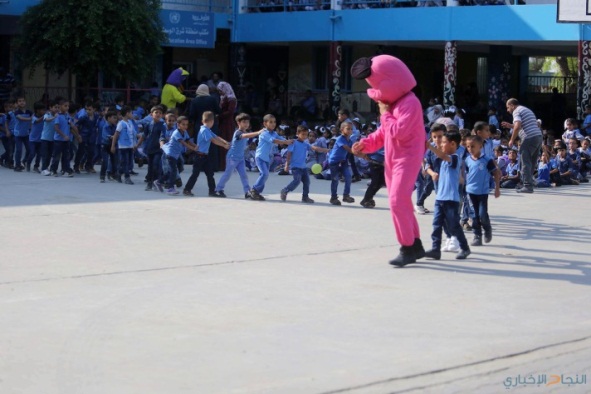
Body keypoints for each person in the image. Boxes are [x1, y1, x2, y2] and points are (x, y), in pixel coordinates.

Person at [351, 55, 426, 267]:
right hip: (392, 160)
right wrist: (364, 145)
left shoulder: (410, 103)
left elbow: (399, 132)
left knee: (396, 201)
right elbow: (383, 134)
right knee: (403, 203)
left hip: (407, 159)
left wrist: (384, 114)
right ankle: (416, 244)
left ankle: (407, 247)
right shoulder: (394, 105)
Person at [423, 131, 471, 260]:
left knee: (454, 225)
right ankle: (435, 249)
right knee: (436, 224)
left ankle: (465, 248)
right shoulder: (443, 160)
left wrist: (431, 147)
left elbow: (443, 156)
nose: (441, 144)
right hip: (440, 198)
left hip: (451, 199)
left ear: (453, 144)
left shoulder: (455, 158)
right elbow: (433, 160)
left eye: (444, 142)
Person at [214, 113, 262, 199]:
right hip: (232, 157)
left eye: (247, 122)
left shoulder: (245, 132)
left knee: (244, 175)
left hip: (240, 158)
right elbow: (244, 136)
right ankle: (218, 189)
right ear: (238, 123)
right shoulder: (238, 133)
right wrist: (258, 132)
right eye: (244, 122)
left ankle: (247, 191)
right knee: (228, 174)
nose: (246, 124)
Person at [464, 135, 500, 246]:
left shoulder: (487, 160)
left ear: (480, 146)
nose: (470, 149)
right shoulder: (467, 160)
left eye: (473, 146)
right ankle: (477, 236)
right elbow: (465, 174)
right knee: (474, 215)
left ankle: (487, 228)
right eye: (468, 146)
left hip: (483, 192)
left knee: (482, 214)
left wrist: (497, 188)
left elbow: (496, 173)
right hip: (470, 192)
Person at [183, 111, 230, 197]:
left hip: (205, 156)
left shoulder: (207, 129)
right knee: (195, 174)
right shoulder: (204, 130)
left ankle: (212, 191)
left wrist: (225, 141)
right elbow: (213, 140)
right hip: (199, 156)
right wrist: (224, 145)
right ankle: (187, 189)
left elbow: (216, 136)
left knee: (210, 174)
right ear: (211, 121)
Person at [502, 98, 543, 193]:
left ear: (512, 105)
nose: (508, 110)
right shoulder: (526, 110)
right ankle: (530, 182)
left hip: (529, 138)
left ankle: (527, 186)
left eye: (508, 107)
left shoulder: (516, 111)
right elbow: (524, 125)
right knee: (532, 162)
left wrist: (511, 140)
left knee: (525, 162)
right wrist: (510, 125)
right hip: (538, 136)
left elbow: (517, 126)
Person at [280, 125, 329, 203]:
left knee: (307, 182)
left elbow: (315, 148)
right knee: (297, 181)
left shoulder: (305, 144)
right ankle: (285, 190)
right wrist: (286, 164)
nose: (304, 136)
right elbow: (289, 154)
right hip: (295, 167)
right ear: (297, 133)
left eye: (306, 134)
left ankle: (305, 197)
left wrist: (326, 150)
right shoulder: (293, 142)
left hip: (303, 167)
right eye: (303, 134)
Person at [249, 114, 293, 201]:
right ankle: (254, 190)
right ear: (265, 124)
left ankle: (257, 192)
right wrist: (285, 142)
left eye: (274, 122)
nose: (273, 124)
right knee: (265, 174)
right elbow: (274, 140)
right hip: (260, 157)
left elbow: (280, 138)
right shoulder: (264, 133)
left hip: (267, 158)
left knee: (264, 175)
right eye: (271, 122)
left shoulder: (274, 133)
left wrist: (291, 141)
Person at [159, 116, 198, 195]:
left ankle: (158, 181)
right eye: (183, 124)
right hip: (170, 153)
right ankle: (170, 188)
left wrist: (196, 146)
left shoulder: (184, 132)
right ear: (178, 125)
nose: (185, 126)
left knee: (171, 171)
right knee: (173, 171)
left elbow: (188, 140)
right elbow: (183, 143)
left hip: (176, 154)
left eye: (186, 125)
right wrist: (192, 149)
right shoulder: (176, 132)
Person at [328, 122, 357, 205]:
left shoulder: (350, 140)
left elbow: (352, 149)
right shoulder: (340, 139)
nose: (350, 130)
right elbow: (349, 149)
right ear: (341, 130)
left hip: (343, 161)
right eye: (348, 129)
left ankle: (346, 196)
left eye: (351, 129)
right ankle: (333, 197)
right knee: (335, 180)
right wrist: (360, 154)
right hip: (334, 162)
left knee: (348, 177)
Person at [111, 106, 142, 185]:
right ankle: (127, 177)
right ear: (127, 113)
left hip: (130, 146)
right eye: (131, 113)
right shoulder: (121, 123)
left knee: (126, 162)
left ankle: (118, 174)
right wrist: (113, 146)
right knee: (125, 162)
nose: (132, 114)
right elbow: (116, 135)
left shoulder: (130, 123)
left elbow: (134, 134)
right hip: (123, 146)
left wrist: (139, 139)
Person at [50, 99, 79, 177]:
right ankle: (53, 170)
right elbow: (56, 128)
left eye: (68, 106)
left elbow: (71, 124)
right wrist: (64, 135)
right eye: (65, 106)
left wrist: (76, 131)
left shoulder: (67, 116)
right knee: (56, 156)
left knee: (66, 156)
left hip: (66, 140)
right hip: (58, 140)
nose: (67, 107)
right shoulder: (58, 116)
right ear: (60, 107)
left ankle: (66, 169)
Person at [142, 106, 166, 191]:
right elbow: (144, 136)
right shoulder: (148, 124)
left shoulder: (163, 125)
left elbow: (162, 136)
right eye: (156, 112)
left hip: (158, 149)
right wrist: (137, 145)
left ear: (162, 115)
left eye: (160, 113)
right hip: (149, 148)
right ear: (151, 114)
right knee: (150, 166)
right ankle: (149, 183)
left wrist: (162, 144)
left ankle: (156, 181)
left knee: (156, 165)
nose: (158, 114)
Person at [74, 101, 99, 173]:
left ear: (94, 109)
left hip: (92, 136)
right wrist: (78, 135)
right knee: (80, 151)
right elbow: (77, 125)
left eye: (90, 109)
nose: (88, 111)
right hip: (84, 135)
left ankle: (88, 166)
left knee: (91, 152)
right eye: (86, 109)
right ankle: (76, 166)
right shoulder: (84, 117)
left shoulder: (96, 116)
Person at [13, 96, 33, 172]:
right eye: (19, 101)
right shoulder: (17, 112)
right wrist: (30, 118)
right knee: (19, 150)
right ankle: (17, 165)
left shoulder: (29, 111)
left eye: (23, 101)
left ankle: (23, 161)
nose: (22, 102)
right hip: (18, 134)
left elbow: (33, 119)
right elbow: (21, 118)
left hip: (26, 134)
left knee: (29, 150)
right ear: (17, 103)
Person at [99, 111, 119, 183]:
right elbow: (106, 136)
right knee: (105, 161)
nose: (115, 119)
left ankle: (112, 174)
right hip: (105, 145)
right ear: (108, 118)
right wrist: (112, 137)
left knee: (114, 161)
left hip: (113, 145)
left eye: (116, 118)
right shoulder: (105, 126)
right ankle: (102, 176)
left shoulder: (115, 126)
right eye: (114, 118)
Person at [40, 101, 59, 176]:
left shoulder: (58, 116)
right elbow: (46, 120)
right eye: (55, 107)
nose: (57, 109)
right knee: (45, 154)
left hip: (52, 139)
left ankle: (46, 168)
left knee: (50, 154)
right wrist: (54, 117)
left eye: (58, 107)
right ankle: (43, 169)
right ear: (50, 108)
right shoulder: (47, 114)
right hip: (45, 138)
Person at [26, 102, 45, 173]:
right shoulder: (33, 116)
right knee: (32, 153)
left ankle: (36, 166)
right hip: (32, 139)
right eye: (42, 110)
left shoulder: (45, 117)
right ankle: (28, 163)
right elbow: (37, 121)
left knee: (39, 154)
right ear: (37, 110)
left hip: (41, 139)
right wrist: (44, 116)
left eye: (44, 110)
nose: (43, 111)